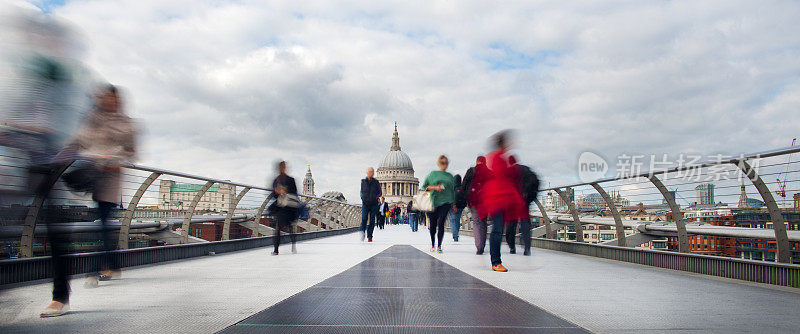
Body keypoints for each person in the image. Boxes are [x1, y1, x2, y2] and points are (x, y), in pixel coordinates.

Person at [68, 85, 138, 288]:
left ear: (118, 100)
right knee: (104, 224)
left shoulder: (127, 123)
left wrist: (116, 157)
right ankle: (114, 265)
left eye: (111, 98)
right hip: (92, 175)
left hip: (111, 177)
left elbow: (131, 150)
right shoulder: (92, 119)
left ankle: (93, 271)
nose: (107, 101)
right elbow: (78, 142)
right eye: (104, 98)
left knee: (103, 224)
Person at [478, 130, 525, 272]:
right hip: (497, 199)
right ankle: (495, 262)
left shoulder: (496, 157)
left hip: (497, 198)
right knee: (497, 230)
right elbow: (501, 180)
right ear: (503, 143)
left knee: (497, 230)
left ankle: (496, 261)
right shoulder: (498, 158)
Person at [421, 155, 455, 253]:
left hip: (446, 202)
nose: (445, 165)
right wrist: (435, 187)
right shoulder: (433, 174)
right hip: (433, 201)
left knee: (441, 223)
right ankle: (433, 244)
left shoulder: (450, 176)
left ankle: (439, 245)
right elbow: (425, 187)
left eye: (446, 163)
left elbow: (452, 190)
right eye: (442, 163)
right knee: (433, 225)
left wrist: (453, 204)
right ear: (439, 163)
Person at [268, 161, 299, 255]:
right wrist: (277, 192)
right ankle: (276, 249)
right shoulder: (276, 180)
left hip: (289, 207)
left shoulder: (290, 180)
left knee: (289, 227)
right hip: (281, 207)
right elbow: (274, 194)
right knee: (279, 227)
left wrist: (285, 191)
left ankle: (293, 244)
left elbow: (294, 192)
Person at [462, 156, 488, 254]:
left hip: (473, 201)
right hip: (485, 201)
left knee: (476, 223)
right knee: (483, 223)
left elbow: (464, 186)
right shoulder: (488, 172)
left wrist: (466, 200)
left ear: (476, 161)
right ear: (484, 162)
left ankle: (479, 246)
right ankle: (483, 244)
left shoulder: (471, 171)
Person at [360, 167, 381, 242]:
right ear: (367, 172)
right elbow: (361, 191)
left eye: (372, 172)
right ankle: (362, 233)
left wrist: (376, 198)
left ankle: (370, 236)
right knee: (364, 219)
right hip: (365, 203)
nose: (371, 173)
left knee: (372, 220)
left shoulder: (376, 182)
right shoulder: (363, 181)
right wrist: (362, 198)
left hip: (374, 203)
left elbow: (380, 192)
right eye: (369, 172)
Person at [449, 174, 465, 242]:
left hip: (453, 206)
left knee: (453, 221)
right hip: (461, 206)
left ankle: (455, 236)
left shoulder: (452, 188)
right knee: (457, 221)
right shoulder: (463, 188)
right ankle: (456, 233)